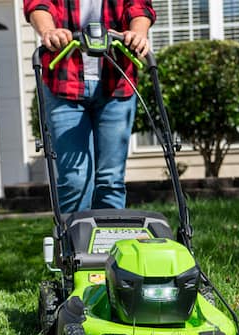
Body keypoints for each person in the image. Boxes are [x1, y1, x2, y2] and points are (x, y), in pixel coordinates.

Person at [24, 0, 156, 213]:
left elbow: (138, 6)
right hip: (65, 81)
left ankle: (111, 241)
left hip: (116, 80)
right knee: (74, 181)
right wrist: (49, 31)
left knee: (110, 180)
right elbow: (39, 4)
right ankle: (72, 243)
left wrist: (137, 32)